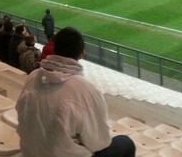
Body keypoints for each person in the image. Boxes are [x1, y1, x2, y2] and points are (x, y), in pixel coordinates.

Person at [16, 27, 135, 157]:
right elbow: (99, 143)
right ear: (82, 53)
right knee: (126, 143)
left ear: (54, 49)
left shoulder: (33, 77)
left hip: (30, 151)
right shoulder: (86, 90)